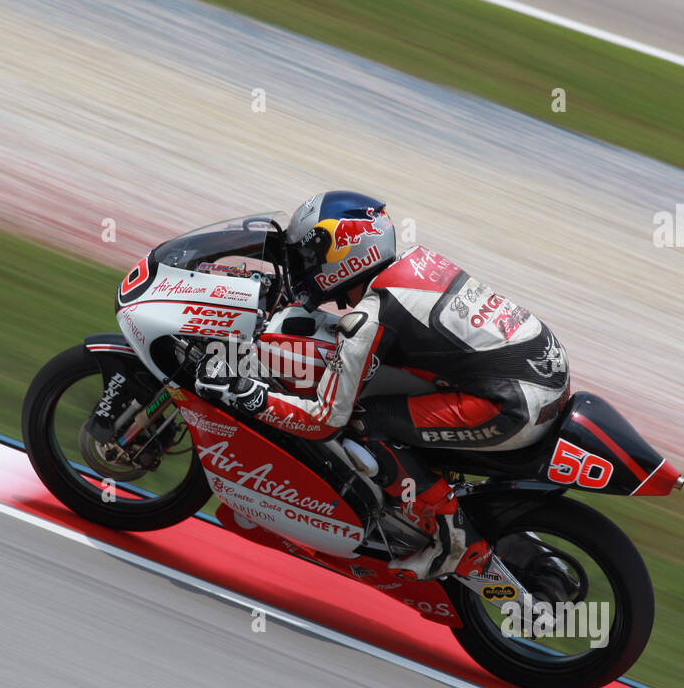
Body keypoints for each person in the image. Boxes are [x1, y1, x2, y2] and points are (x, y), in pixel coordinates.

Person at [195, 190, 571, 580]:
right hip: (544, 369)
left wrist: (248, 395)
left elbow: (325, 420)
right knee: (392, 401)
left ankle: (455, 545)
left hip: (513, 404)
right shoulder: (413, 262)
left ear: (344, 251)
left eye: (309, 259)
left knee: (367, 422)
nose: (304, 268)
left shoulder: (371, 317)